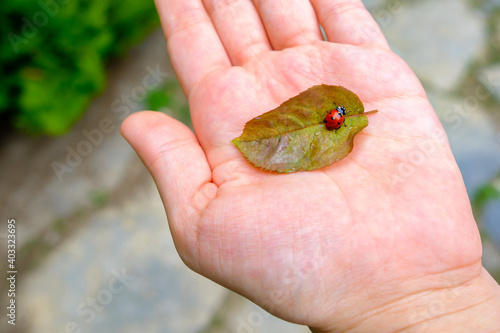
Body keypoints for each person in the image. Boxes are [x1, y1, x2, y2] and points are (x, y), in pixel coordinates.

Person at [121, 0, 500, 331]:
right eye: (338, 115)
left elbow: (325, 123)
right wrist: (433, 301)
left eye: (338, 116)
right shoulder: (336, 115)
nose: (336, 116)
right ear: (337, 114)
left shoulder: (339, 115)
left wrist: (411, 300)